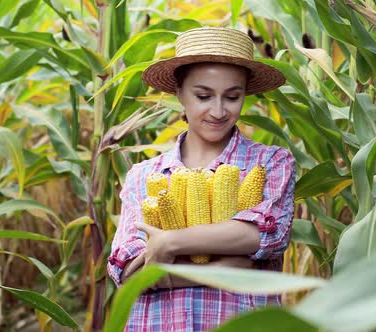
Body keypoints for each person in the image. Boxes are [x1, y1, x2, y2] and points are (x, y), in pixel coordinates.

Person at [107, 26, 296, 332]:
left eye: (232, 97)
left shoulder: (270, 162)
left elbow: (265, 236)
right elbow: (126, 272)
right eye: (203, 95)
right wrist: (224, 268)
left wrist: (169, 244)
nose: (219, 111)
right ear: (179, 92)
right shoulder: (143, 175)